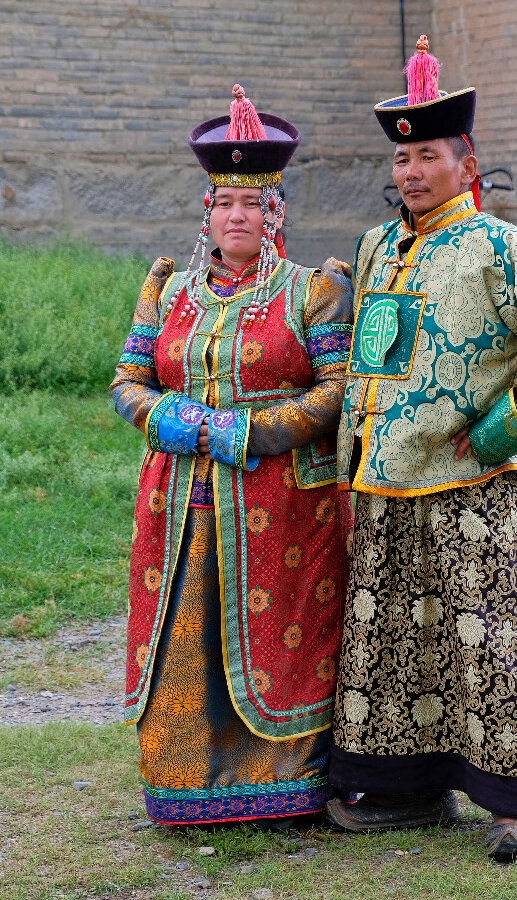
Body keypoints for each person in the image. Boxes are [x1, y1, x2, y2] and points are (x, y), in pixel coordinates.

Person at [326, 36, 517, 860]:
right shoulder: (378, 245)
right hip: (383, 480)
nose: (411, 172)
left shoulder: (500, 244)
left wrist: (500, 431)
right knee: (393, 645)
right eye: (403, 158)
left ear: (466, 163)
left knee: (494, 640)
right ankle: (403, 791)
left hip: (471, 483)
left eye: (429, 157)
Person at [110, 84, 354, 826]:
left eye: (252, 204)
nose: (237, 216)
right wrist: (175, 420)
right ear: (207, 215)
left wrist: (248, 433)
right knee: (186, 634)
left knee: (283, 640)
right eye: (223, 203)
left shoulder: (313, 290)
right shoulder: (169, 290)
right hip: (180, 498)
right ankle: (186, 785)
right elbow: (129, 381)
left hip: (283, 502)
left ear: (273, 213)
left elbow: (338, 388)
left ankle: (289, 786)